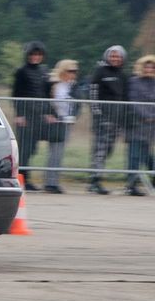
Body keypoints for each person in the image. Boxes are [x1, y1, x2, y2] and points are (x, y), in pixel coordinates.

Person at [87, 45, 129, 195]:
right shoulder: (100, 71)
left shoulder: (123, 75)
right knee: (100, 149)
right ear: (107, 56)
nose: (115, 59)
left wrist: (124, 118)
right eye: (112, 56)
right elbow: (92, 92)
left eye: (118, 56)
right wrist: (97, 113)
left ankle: (96, 176)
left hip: (117, 119)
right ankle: (95, 180)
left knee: (108, 150)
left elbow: (125, 97)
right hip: (102, 119)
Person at [11, 41, 52, 191]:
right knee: (24, 149)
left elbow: (46, 94)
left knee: (32, 148)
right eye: (33, 54)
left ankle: (25, 179)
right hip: (26, 116)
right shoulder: (21, 71)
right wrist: (19, 115)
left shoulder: (44, 71)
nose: (36, 57)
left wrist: (48, 112)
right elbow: (16, 94)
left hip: (39, 115)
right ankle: (21, 179)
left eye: (38, 54)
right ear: (28, 55)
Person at [44, 59, 80, 194]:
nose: (73, 74)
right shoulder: (53, 84)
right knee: (54, 152)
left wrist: (75, 116)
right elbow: (47, 101)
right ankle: (49, 182)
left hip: (67, 122)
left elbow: (78, 103)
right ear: (63, 70)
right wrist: (50, 114)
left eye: (75, 71)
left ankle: (54, 181)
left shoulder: (73, 86)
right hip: (55, 122)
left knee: (59, 153)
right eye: (70, 71)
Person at [125, 55, 155, 196]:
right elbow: (133, 101)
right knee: (134, 155)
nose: (149, 69)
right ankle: (131, 185)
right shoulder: (134, 81)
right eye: (147, 66)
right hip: (137, 124)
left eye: (152, 66)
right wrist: (146, 116)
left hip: (151, 126)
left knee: (147, 155)